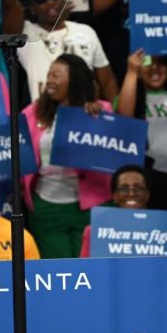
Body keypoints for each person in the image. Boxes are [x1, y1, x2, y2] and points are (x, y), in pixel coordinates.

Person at [22, 55, 112, 258]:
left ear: (74, 81)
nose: (50, 81)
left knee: (89, 272)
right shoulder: (33, 112)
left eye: (56, 76)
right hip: (46, 208)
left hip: (90, 207)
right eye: (49, 75)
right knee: (59, 273)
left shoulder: (100, 111)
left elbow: (114, 149)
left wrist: (97, 121)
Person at [1, 0, 119, 103]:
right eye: (41, 0)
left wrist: (116, 118)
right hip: (45, 118)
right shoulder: (26, 35)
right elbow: (8, 1)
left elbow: (107, 82)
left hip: (85, 115)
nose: (50, 2)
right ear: (32, 8)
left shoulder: (86, 31)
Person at [116, 49, 167, 210]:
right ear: (139, 70)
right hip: (149, 177)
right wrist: (131, 71)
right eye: (147, 63)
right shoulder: (132, 95)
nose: (154, 68)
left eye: (160, 63)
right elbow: (125, 117)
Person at [79, 165, 151, 258]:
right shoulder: (93, 232)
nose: (131, 194)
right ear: (115, 196)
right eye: (124, 189)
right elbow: (86, 269)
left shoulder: (166, 232)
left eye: (138, 188)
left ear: (147, 195)